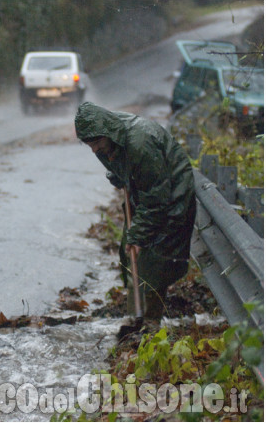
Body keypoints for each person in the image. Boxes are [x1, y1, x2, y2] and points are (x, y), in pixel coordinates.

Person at [74, 102, 196, 319]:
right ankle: (135, 318)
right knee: (128, 254)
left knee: (152, 261)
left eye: (96, 143)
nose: (93, 149)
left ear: (107, 132)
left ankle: (149, 326)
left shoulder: (140, 143)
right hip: (145, 193)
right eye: (88, 144)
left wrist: (139, 235)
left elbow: (157, 200)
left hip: (172, 196)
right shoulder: (106, 139)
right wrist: (118, 176)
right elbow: (119, 166)